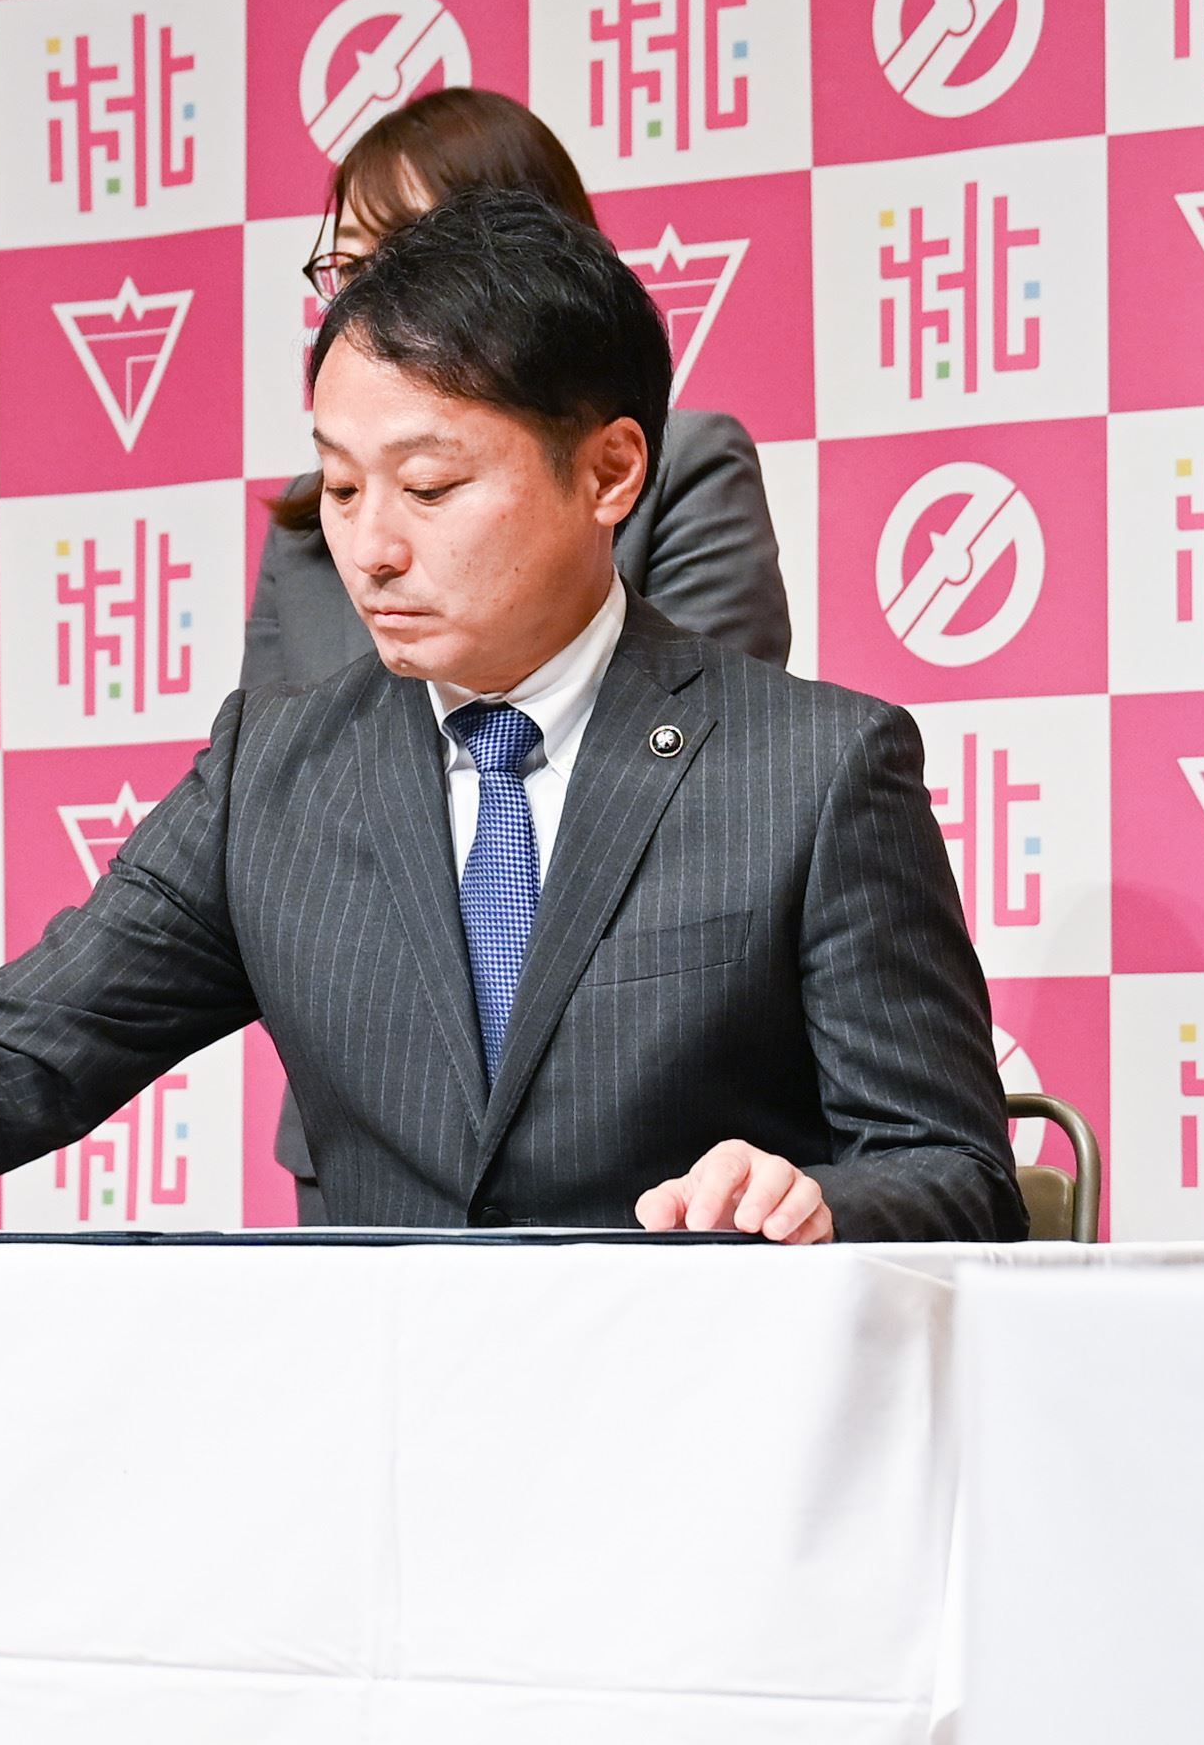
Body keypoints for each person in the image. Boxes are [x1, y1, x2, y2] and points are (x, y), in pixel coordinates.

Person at [0, 190, 1024, 1245]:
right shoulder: (282, 763)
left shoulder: (812, 769)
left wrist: (814, 1197)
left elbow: (954, 1172)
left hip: (701, 1478)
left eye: (431, 484)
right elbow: (21, 1052)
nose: (373, 544)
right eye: (337, 487)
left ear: (610, 472)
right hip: (360, 1472)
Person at [248, 89, 795, 1211]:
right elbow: (288, 812)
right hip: (377, 1126)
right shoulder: (318, 527)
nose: (376, 551)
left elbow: (694, 769)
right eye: (342, 268)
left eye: (405, 257)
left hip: (642, 1141)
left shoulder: (670, 470)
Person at [248, 85, 787, 689]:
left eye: (431, 488)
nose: (375, 299)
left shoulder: (685, 467)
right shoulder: (307, 524)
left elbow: (717, 737)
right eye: (351, 269)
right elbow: (266, 771)